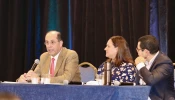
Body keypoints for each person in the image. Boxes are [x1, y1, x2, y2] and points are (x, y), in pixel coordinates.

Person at [135, 35, 175, 100]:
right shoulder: (144, 61)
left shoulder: (164, 62)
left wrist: (140, 65)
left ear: (146, 52)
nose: (137, 51)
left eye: (138, 49)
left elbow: (151, 80)